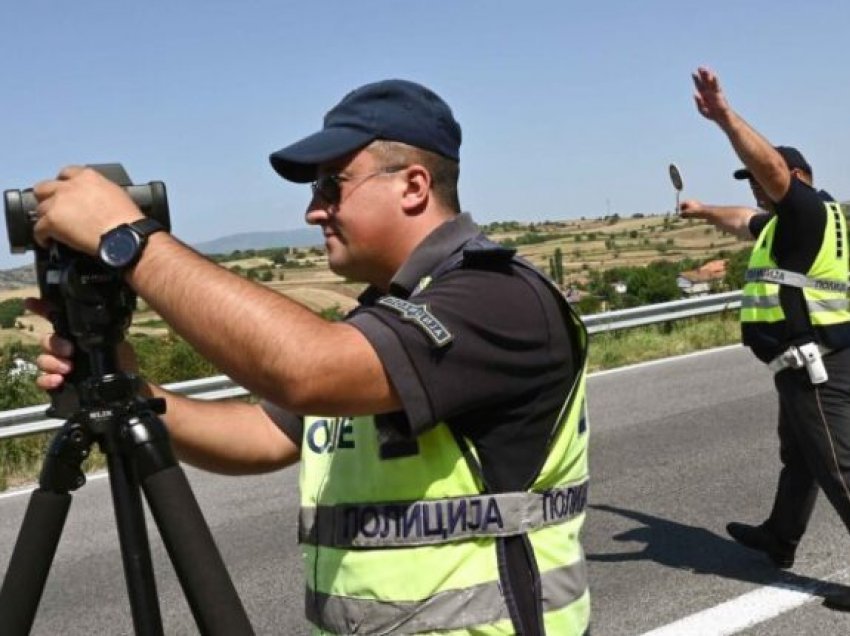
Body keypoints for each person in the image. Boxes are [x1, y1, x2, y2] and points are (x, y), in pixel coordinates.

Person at [29, 79, 591, 634]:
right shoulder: (387, 317)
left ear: (414, 186)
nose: (313, 211)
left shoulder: (496, 299)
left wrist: (127, 238)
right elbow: (264, 435)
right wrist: (130, 386)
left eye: (330, 185)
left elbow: (306, 370)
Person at [680, 67, 850, 611]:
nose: (756, 186)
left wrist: (724, 118)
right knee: (799, 457)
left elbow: (772, 167)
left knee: (838, 469)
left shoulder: (803, 208)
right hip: (805, 362)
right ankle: (780, 537)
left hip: (816, 366)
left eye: (761, 177)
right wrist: (703, 209)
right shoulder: (789, 222)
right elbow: (742, 220)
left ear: (797, 176)